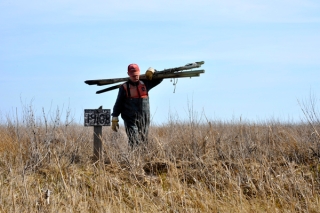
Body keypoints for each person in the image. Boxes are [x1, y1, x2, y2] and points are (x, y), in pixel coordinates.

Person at [111, 63, 163, 147]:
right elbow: (118, 103)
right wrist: (114, 117)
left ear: (139, 72)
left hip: (144, 118)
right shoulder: (124, 87)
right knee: (133, 139)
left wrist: (152, 70)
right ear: (128, 74)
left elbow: (160, 78)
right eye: (133, 75)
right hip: (130, 119)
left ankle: (142, 159)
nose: (135, 77)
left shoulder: (145, 84)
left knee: (143, 140)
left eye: (136, 75)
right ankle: (133, 159)